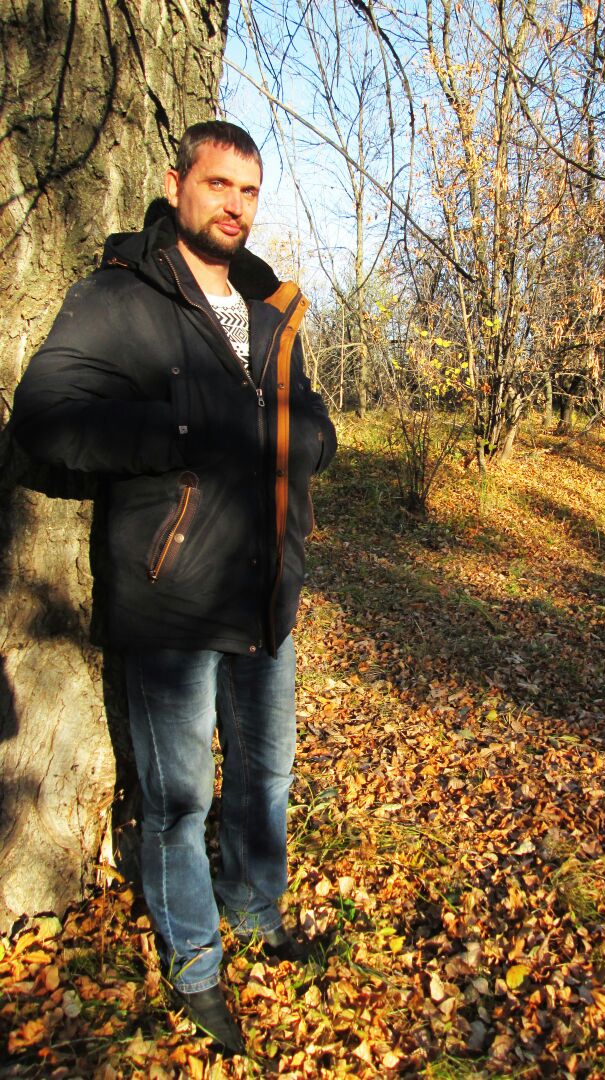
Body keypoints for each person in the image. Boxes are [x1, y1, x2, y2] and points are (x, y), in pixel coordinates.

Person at [10, 121, 337, 1055]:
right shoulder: (121, 296)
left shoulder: (271, 308)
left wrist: (307, 441)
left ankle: (257, 913)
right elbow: (45, 416)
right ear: (175, 183)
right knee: (180, 801)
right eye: (219, 183)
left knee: (265, 776)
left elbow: (312, 420)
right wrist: (182, 430)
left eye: (250, 191)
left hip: (265, 590)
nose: (235, 205)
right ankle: (195, 966)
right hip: (171, 596)